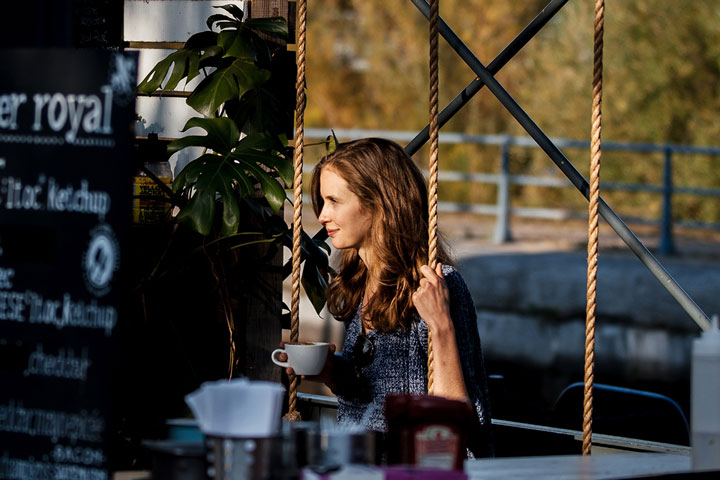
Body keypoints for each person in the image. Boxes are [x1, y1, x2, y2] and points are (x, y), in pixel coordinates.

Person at [280, 138, 492, 457]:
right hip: (361, 460)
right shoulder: (361, 283)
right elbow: (370, 396)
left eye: (334, 201)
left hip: (420, 468)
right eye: (322, 202)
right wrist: (331, 372)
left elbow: (457, 418)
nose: (322, 216)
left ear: (378, 203)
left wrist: (441, 326)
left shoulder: (436, 285)